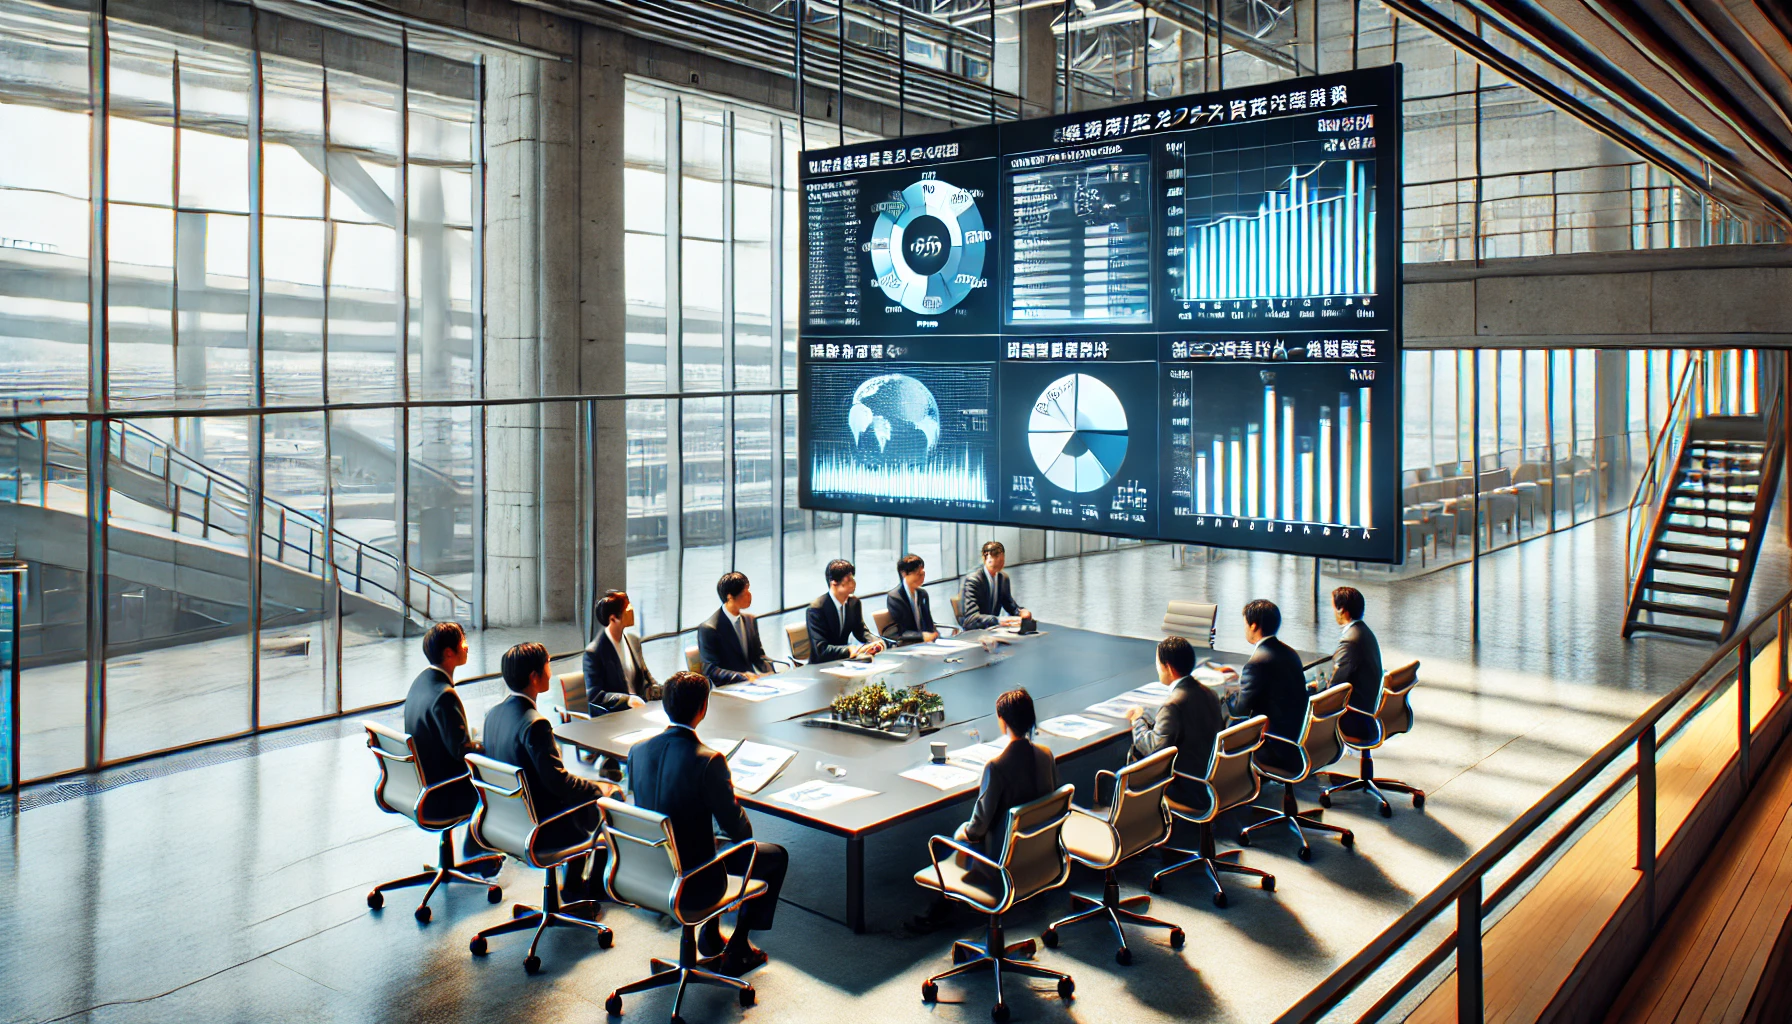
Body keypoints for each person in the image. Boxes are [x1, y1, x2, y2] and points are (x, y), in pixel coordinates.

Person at [628, 671, 789, 977]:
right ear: (703, 708)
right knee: (773, 856)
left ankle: (712, 933)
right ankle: (739, 947)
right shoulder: (708, 760)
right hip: (694, 878)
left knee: (704, 840)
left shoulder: (637, 751)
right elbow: (741, 833)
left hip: (650, 868)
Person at [482, 642, 620, 904]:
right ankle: (586, 887)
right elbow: (560, 783)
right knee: (607, 798)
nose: (550, 672)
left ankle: (573, 884)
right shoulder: (535, 724)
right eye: (547, 666)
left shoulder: (494, 716)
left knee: (587, 795)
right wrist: (599, 789)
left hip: (509, 822)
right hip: (541, 828)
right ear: (534, 677)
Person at [909, 688, 1057, 933]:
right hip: (1039, 855)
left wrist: (962, 833)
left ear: (1003, 721)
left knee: (954, 838)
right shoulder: (1046, 755)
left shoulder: (996, 767)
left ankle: (941, 910)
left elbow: (977, 830)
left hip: (1002, 861)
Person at [402, 622, 496, 872]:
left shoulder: (421, 682)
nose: (467, 648)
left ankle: (476, 844)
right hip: (443, 790)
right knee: (500, 775)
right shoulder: (444, 694)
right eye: (463, 644)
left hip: (420, 781)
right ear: (449, 653)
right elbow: (461, 751)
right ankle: (479, 844)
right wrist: (490, 746)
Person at [1126, 635, 1225, 805]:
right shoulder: (1210, 694)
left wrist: (1138, 720)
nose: (1157, 668)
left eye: (1158, 664)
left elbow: (1153, 749)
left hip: (1185, 787)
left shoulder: (1173, 705)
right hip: (1211, 778)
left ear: (1169, 668)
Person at [1223, 599, 1309, 774]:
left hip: (1273, 747)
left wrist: (1227, 691)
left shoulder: (1257, 663)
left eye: (1245, 624)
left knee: (1215, 715)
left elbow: (1240, 710)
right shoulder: (1289, 653)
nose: (1245, 629)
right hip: (1293, 739)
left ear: (1254, 626)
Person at [584, 590, 662, 707]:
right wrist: (627, 700)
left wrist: (658, 689)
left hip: (641, 708)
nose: (631, 609)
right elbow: (595, 695)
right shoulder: (594, 652)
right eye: (626, 607)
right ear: (613, 619)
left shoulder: (633, 640)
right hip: (617, 713)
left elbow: (646, 676)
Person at [697, 572, 773, 685]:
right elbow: (710, 670)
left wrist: (771, 671)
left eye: (749, 590)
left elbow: (758, 656)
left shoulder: (750, 620)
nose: (749, 595)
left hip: (753, 683)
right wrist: (742, 676)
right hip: (728, 688)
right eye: (745, 592)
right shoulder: (709, 628)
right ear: (730, 597)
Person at [806, 559, 885, 663]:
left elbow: (861, 631)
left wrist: (875, 642)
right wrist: (849, 649)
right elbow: (821, 649)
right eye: (848, 580)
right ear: (833, 581)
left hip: (845, 662)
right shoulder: (816, 609)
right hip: (821, 665)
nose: (853, 583)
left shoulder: (854, 603)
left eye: (853, 578)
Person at [1328, 586, 1383, 737]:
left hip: (1354, 719)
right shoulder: (1365, 632)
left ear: (1342, 610)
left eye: (1333, 608)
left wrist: (1314, 689)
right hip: (1368, 711)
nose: (1333, 613)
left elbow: (1336, 686)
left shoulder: (1350, 640)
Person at [958, 540, 1030, 630]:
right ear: (985, 558)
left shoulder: (1003, 578)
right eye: (995, 556)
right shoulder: (973, 580)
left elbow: (1010, 605)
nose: (999, 561)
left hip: (993, 630)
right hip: (975, 632)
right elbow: (971, 619)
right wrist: (999, 620)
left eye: (1001, 558)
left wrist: (1021, 612)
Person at [882, 553, 940, 646]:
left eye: (923, 574)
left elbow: (929, 623)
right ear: (904, 574)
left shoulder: (922, 594)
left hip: (927, 643)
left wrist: (935, 635)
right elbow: (901, 631)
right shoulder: (895, 597)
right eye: (918, 574)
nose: (922, 578)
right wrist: (922, 636)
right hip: (908, 644)